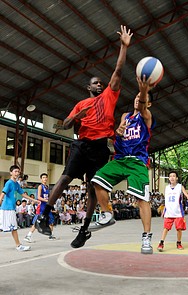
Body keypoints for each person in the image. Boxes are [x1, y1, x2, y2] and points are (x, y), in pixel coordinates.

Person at [35, 25, 133, 247]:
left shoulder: (109, 95)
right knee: (65, 178)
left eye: (101, 82)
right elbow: (66, 124)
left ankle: (85, 228)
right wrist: (78, 114)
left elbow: (117, 71)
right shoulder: (81, 103)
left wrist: (123, 47)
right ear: (88, 87)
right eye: (96, 83)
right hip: (81, 145)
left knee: (92, 187)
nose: (100, 84)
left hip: (100, 148)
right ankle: (44, 215)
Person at [91, 75, 155, 254]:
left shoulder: (146, 116)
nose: (138, 99)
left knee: (142, 199)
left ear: (147, 104)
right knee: (97, 180)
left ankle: (146, 236)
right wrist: (117, 133)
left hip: (137, 161)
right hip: (120, 158)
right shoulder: (125, 116)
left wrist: (144, 89)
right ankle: (106, 214)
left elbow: (142, 105)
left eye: (142, 99)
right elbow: (116, 137)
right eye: (136, 97)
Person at [0, 165, 38, 251]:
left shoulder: (16, 184)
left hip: (11, 208)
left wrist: (34, 200)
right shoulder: (9, 183)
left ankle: (18, 245)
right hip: (7, 208)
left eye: (18, 172)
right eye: (15, 171)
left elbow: (23, 194)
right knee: (13, 227)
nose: (17, 173)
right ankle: (18, 246)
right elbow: (2, 194)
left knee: (12, 228)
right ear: (11, 173)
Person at [157, 171, 188, 252]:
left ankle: (179, 243)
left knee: (179, 228)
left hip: (178, 211)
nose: (172, 177)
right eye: (170, 176)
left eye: (174, 176)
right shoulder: (167, 187)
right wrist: (164, 210)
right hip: (169, 212)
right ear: (169, 178)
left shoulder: (180, 187)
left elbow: (187, 195)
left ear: (177, 178)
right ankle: (161, 243)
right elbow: (166, 200)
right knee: (166, 228)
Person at [24, 173, 56, 242]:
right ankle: (28, 236)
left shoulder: (47, 187)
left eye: (46, 177)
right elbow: (38, 197)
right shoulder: (40, 187)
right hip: (41, 206)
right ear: (41, 179)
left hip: (47, 206)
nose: (45, 178)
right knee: (37, 221)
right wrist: (47, 200)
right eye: (43, 177)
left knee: (51, 220)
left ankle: (51, 235)